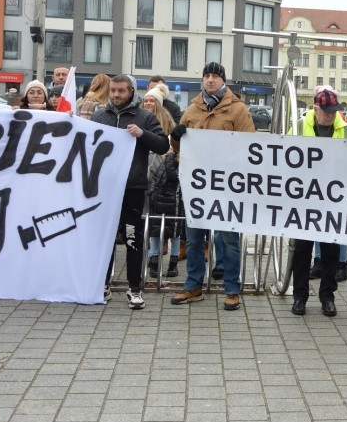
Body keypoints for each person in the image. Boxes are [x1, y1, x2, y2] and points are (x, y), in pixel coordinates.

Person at [170, 62, 255, 311]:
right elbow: (179, 151)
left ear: (223, 81)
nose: (209, 80)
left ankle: (232, 289)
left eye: (215, 76)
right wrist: (175, 138)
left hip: (227, 188)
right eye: (206, 75)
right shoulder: (192, 110)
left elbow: (249, 148)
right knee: (195, 240)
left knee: (229, 240)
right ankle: (193, 286)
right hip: (197, 188)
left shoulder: (238, 110)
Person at [91, 75, 170, 309]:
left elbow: (163, 145)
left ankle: (135, 288)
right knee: (105, 240)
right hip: (104, 188)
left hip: (132, 187)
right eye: (113, 91)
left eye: (121, 91)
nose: (116, 95)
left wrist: (142, 134)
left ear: (131, 92)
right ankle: (103, 285)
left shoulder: (144, 116)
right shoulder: (99, 116)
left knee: (133, 239)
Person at [289, 88, 347, 317]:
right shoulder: (299, 126)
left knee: (330, 251)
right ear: (315, 108)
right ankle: (300, 296)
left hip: (332, 200)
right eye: (326, 112)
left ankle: (327, 296)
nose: (330, 115)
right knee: (302, 251)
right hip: (305, 199)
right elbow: (286, 156)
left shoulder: (346, 129)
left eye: (334, 111)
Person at [142, 84, 179, 279]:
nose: (148, 103)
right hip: (146, 171)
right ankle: (153, 256)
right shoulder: (139, 118)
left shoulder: (167, 121)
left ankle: (172, 259)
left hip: (165, 171)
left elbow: (172, 145)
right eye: (146, 100)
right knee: (152, 216)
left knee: (172, 219)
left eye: (151, 100)